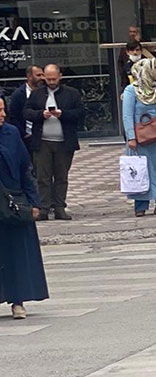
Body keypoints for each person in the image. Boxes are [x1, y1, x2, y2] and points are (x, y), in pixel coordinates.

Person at [0, 98, 49, 319]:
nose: (2, 114)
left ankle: (17, 302)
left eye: (3, 109)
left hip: (14, 201)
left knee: (16, 254)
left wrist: (34, 202)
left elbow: (25, 169)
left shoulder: (11, 133)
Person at [23, 64, 85, 221]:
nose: (51, 81)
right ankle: (44, 207)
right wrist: (40, 114)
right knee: (42, 176)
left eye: (54, 78)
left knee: (61, 176)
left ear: (60, 76)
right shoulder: (37, 94)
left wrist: (62, 114)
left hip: (64, 142)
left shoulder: (72, 94)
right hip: (42, 141)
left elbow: (80, 113)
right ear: (43, 76)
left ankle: (59, 207)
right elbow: (26, 112)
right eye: (48, 78)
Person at [122, 58, 156, 217]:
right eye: (154, 69)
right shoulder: (131, 91)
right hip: (141, 138)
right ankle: (141, 205)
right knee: (141, 171)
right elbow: (127, 115)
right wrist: (131, 137)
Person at [7, 65, 44, 149]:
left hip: (42, 137)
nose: (42, 78)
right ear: (29, 76)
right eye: (38, 75)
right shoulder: (18, 94)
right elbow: (13, 116)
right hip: (26, 137)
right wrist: (24, 134)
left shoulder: (45, 92)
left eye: (43, 75)